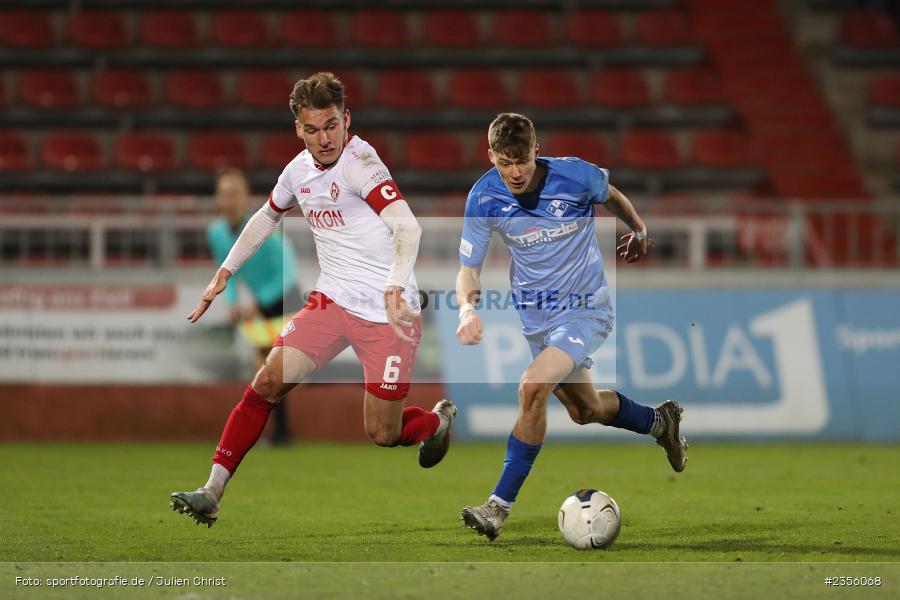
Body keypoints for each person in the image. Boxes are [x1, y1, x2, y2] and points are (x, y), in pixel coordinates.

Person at [170, 72, 456, 527]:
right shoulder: (297, 171)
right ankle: (212, 490)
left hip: (388, 315)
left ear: (347, 120)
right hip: (331, 303)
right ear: (298, 129)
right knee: (266, 382)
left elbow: (408, 227)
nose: (325, 139)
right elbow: (267, 216)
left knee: (383, 432)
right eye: (313, 129)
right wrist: (225, 271)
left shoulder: (362, 164)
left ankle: (437, 424)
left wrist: (393, 285)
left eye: (332, 126)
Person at [456, 113, 688, 541]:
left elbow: (612, 195)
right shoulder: (483, 197)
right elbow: (468, 269)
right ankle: (660, 422)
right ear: (490, 156)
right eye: (505, 163)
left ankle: (497, 507)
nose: (515, 172)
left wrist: (639, 230)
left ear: (536, 151)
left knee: (532, 387)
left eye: (522, 161)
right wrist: (466, 310)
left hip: (585, 309)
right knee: (586, 411)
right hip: (536, 320)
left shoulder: (576, 176)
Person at [208, 168, 301, 446]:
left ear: (246, 197)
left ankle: (280, 433)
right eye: (225, 194)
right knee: (267, 370)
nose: (230, 200)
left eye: (235, 194)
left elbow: (288, 271)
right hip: (259, 304)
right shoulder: (216, 233)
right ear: (218, 199)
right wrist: (232, 302)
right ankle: (280, 433)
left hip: (284, 298)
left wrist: (256, 303)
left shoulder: (263, 229)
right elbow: (227, 270)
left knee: (273, 369)